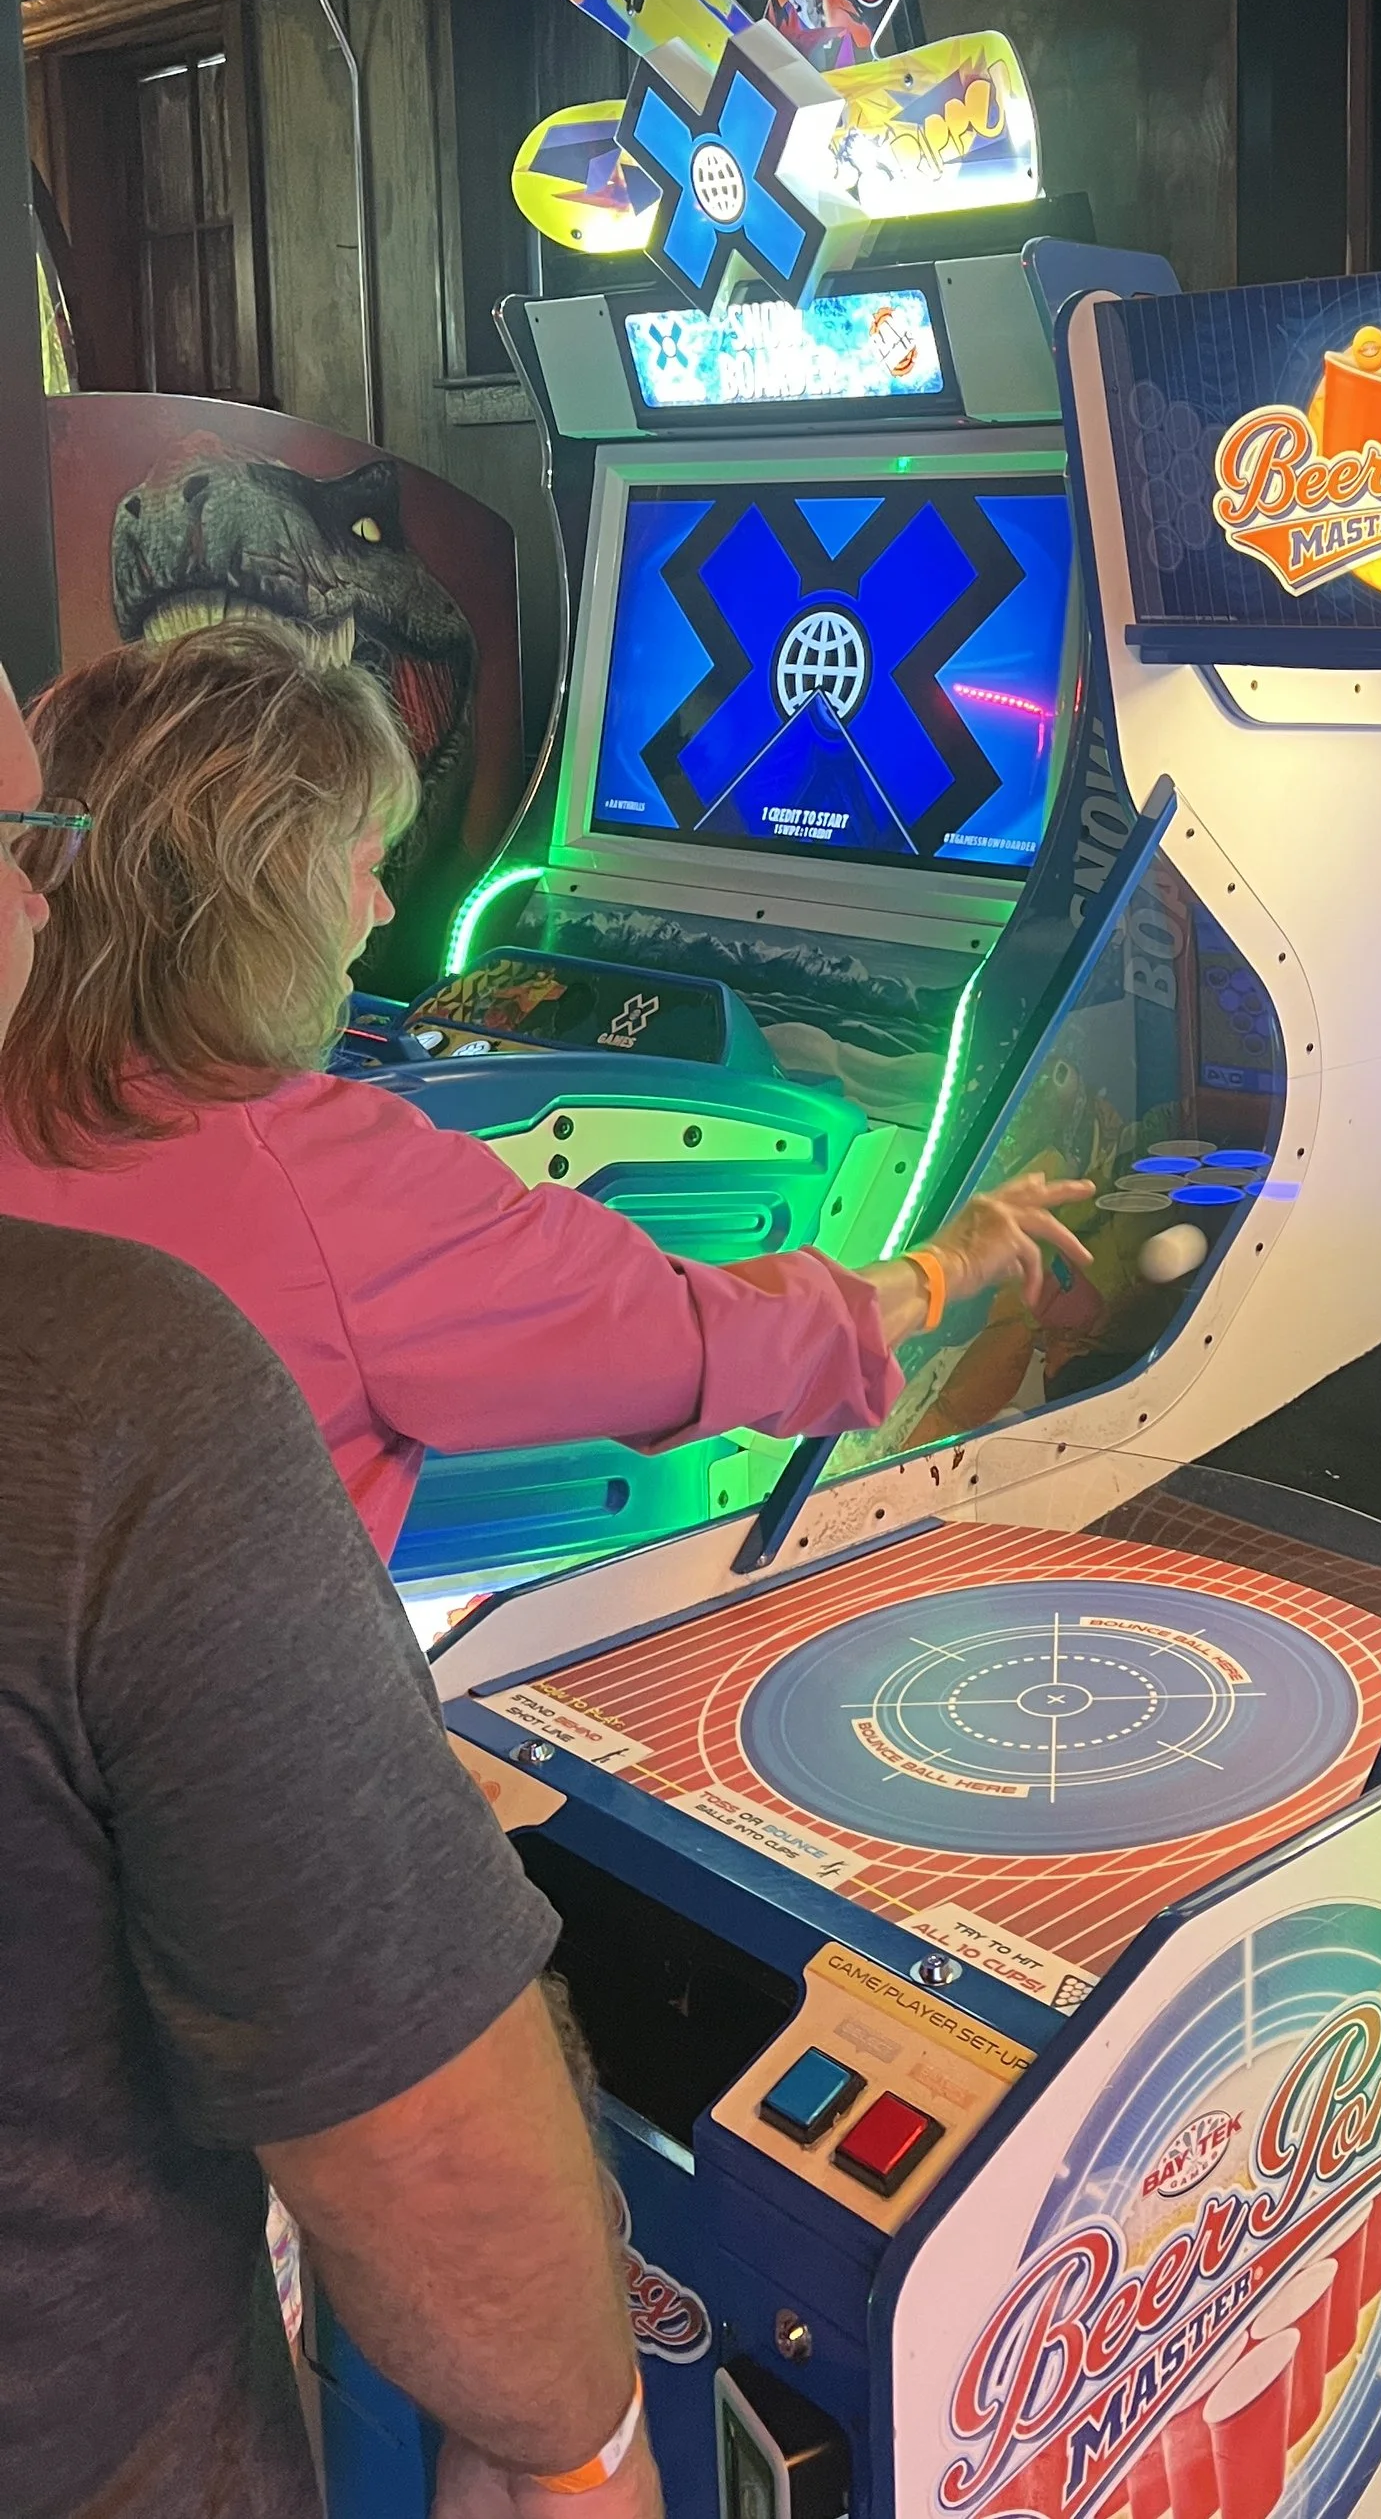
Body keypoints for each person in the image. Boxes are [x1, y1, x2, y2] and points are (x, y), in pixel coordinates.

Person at [0, 649, 664, 2515]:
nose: (394, 901)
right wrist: (577, 2434)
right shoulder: (155, 1344)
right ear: (266, 878)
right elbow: (420, 2130)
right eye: (366, 853)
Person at [0, 624, 1092, 1556]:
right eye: (368, 866)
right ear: (264, 902)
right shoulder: (327, 1180)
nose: (381, 917)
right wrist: (940, 1270)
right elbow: (695, 1339)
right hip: (231, 1752)